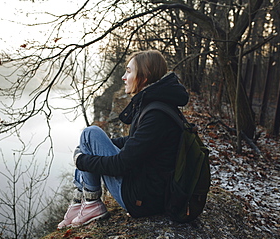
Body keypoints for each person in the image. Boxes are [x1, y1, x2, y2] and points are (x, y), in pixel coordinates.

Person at [58, 50, 189, 229]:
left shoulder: (156, 115)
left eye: (128, 71)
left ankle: (91, 203)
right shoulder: (158, 106)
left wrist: (82, 161)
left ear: (144, 77)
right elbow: (136, 142)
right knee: (89, 139)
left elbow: (121, 164)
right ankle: (80, 202)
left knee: (90, 133)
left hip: (142, 200)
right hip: (149, 192)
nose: (123, 77)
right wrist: (103, 145)